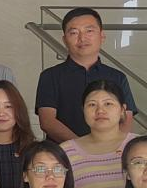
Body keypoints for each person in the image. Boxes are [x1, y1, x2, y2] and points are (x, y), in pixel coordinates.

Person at [35, 8, 137, 142]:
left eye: (89, 31)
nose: (82, 38)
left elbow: (126, 119)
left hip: (109, 152)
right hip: (62, 152)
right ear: (65, 40)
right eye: (74, 32)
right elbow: (48, 121)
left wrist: (110, 147)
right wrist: (82, 148)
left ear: (102, 36)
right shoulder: (50, 76)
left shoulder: (118, 77)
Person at [60, 80, 136, 188]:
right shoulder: (65, 152)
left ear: (122, 109)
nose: (100, 110)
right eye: (92, 105)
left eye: (108, 104)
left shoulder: (143, 147)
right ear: (83, 110)